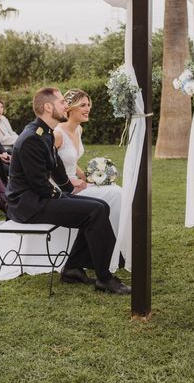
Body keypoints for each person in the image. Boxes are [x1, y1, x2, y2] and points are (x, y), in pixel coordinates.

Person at [6, 87, 130, 295]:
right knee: (95, 211)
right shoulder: (32, 138)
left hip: (40, 197)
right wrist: (64, 196)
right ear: (48, 107)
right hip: (28, 204)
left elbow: (56, 167)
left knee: (99, 206)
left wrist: (70, 189)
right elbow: (39, 185)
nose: (66, 105)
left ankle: (73, 267)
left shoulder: (44, 132)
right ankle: (105, 278)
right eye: (62, 102)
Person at [54, 89, 125, 271]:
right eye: (83, 105)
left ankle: (115, 248)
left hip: (77, 183)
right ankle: (106, 252)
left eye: (89, 105)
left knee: (116, 191)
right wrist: (69, 183)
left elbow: (71, 161)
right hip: (62, 187)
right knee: (116, 193)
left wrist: (88, 178)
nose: (88, 109)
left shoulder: (78, 129)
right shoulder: (57, 133)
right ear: (70, 108)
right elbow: (48, 166)